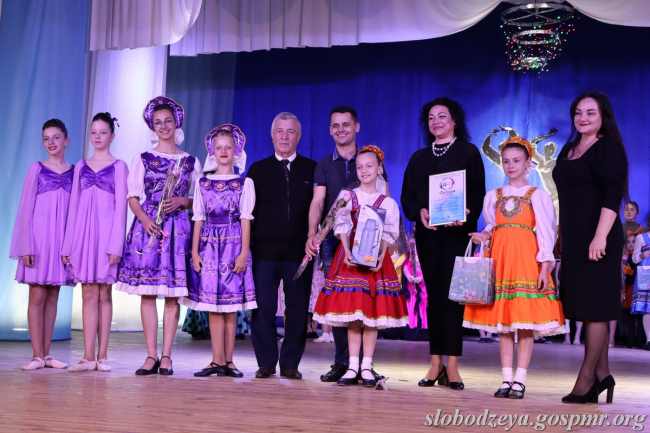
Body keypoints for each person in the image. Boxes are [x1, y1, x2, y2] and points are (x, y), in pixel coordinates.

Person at [463, 137, 565, 399]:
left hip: (526, 261)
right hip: (501, 261)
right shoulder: (494, 196)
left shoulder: (537, 195)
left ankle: (520, 379)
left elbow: (546, 233)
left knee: (524, 322)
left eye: (516, 160)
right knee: (504, 324)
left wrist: (544, 267)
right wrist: (484, 235)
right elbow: (492, 225)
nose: (511, 165)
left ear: (528, 162)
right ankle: (506, 378)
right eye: (506, 161)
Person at [401, 97, 485, 390]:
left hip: (457, 236)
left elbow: (477, 193)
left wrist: (466, 212)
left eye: (442, 116)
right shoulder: (418, 157)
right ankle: (435, 362)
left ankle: (453, 366)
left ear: (454, 121)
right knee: (434, 299)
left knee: (454, 299)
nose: (436, 122)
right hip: (428, 236)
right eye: (431, 118)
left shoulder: (468, 152)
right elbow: (407, 197)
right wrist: (420, 211)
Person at [116, 96, 203, 376]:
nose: (163, 126)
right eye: (158, 122)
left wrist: (183, 202)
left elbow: (200, 201)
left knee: (172, 296)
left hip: (178, 230)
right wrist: (143, 219)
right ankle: (151, 355)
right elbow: (133, 196)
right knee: (148, 293)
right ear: (152, 127)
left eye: (168, 121)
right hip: (149, 228)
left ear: (176, 123)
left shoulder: (190, 161)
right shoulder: (143, 158)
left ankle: (167, 356)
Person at [552, 91, 628, 404]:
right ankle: (603, 375)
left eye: (590, 113)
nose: (582, 118)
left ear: (603, 116)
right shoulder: (569, 148)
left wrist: (600, 237)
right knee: (583, 304)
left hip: (600, 237)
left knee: (596, 307)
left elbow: (612, 196)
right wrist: (560, 235)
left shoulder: (608, 147)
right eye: (578, 112)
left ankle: (586, 380)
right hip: (573, 238)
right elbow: (567, 198)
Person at [305, 106, 388, 382]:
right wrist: (312, 233)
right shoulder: (323, 165)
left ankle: (365, 364)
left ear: (357, 127)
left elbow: (385, 199)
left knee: (367, 300)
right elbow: (318, 202)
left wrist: (384, 244)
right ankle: (343, 362)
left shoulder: (370, 159)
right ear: (330, 130)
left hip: (369, 243)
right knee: (341, 301)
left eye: (346, 124)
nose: (341, 129)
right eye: (335, 125)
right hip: (335, 243)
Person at [313, 146, 407, 387]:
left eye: (369, 166)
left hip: (376, 263)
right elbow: (341, 225)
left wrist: (381, 256)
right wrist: (346, 249)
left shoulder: (387, 202)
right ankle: (352, 365)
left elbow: (388, 233)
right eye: (360, 167)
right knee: (354, 315)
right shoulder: (348, 196)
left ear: (379, 169)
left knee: (371, 316)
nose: (364, 171)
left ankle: (366, 366)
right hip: (351, 261)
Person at [180, 124, 257, 378]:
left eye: (228, 147)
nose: (224, 151)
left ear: (236, 151)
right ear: (212, 151)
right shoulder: (203, 183)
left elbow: (245, 219)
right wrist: (195, 252)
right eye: (219, 147)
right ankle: (216, 360)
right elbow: (198, 219)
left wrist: (244, 252)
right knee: (213, 305)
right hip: (209, 246)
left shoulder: (244, 183)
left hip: (233, 245)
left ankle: (230, 361)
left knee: (230, 305)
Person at [247, 112, 316, 379]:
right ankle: (265, 362)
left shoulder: (312, 169)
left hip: (300, 254)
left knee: (297, 310)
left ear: (299, 136)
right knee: (262, 308)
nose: (285, 137)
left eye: (290, 132)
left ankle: (290, 364)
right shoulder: (257, 170)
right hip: (264, 253)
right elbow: (247, 214)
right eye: (280, 131)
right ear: (272, 135)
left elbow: (320, 208)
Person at [62, 113, 128, 372]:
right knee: (87, 291)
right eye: (93, 132)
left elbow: (121, 210)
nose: (97, 137)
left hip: (107, 235)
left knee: (104, 293)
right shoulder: (80, 166)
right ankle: (87, 356)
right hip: (83, 235)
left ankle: (102, 356)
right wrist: (68, 245)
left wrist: (116, 245)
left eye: (103, 132)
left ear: (112, 135)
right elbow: (73, 207)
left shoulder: (119, 166)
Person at [10, 119, 74, 370]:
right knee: (37, 294)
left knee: (53, 295)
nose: (51, 142)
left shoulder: (74, 172)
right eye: (46, 138)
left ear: (66, 140)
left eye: (56, 137)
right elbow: (25, 209)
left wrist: (70, 246)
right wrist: (25, 245)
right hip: (38, 240)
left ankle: (47, 354)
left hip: (60, 242)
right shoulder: (36, 169)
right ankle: (36, 355)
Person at [630, 231, 650, 350]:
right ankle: (649, 339)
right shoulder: (641, 237)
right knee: (647, 307)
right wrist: (642, 255)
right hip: (646, 272)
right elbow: (634, 258)